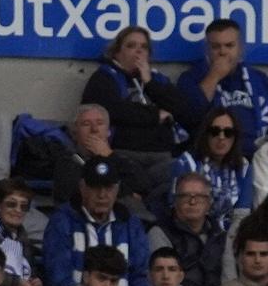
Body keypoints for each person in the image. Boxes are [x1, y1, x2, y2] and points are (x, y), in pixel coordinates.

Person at [81, 27, 185, 205]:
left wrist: (149, 83)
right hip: (122, 154)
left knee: (182, 178)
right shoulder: (104, 78)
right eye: (131, 46)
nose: (138, 51)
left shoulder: (157, 80)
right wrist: (154, 115)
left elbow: (180, 109)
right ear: (117, 52)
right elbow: (112, 110)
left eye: (143, 47)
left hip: (161, 156)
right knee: (135, 191)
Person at [44, 157, 151, 286]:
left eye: (108, 188)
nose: (102, 195)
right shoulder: (62, 221)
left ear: (117, 189)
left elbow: (140, 277)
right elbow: (57, 277)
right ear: (82, 188)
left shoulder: (131, 224)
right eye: (95, 187)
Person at [176, 18, 268, 154]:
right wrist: (214, 76)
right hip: (211, 161)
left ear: (240, 48)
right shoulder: (190, 78)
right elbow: (190, 116)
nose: (223, 52)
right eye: (216, 47)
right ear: (207, 49)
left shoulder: (259, 79)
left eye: (229, 45)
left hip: (257, 160)